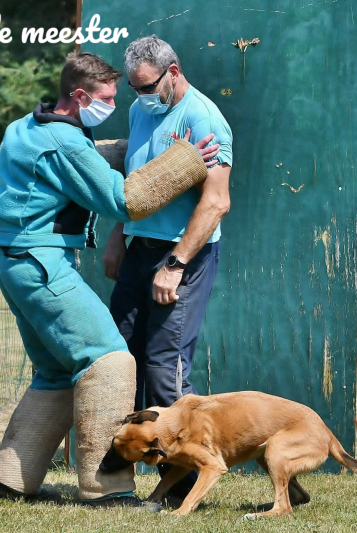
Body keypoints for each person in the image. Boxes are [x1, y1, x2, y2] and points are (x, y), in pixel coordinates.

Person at [0, 51, 220, 508]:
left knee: (58, 372)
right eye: (107, 98)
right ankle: (106, 490)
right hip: (43, 263)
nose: (115, 105)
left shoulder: (25, 127)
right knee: (108, 361)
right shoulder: (66, 143)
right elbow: (124, 200)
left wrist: (130, 151)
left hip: (14, 261)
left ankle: (12, 481)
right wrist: (186, 159)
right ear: (79, 96)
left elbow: (76, 158)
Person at [102, 35, 233, 506]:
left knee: (165, 370)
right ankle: (116, 472)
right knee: (120, 357)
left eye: (147, 86)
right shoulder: (142, 111)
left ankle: (183, 485)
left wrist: (175, 265)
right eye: (134, 88)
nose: (140, 96)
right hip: (139, 248)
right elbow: (138, 184)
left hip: (183, 257)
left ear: (172, 72)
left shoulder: (204, 119)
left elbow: (216, 202)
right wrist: (118, 235)